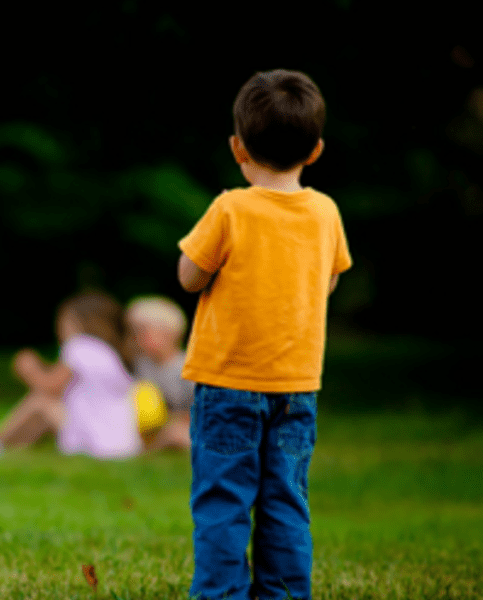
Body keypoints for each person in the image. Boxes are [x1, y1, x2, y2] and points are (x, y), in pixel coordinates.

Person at [178, 69, 352, 600]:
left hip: (228, 381)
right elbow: (331, 278)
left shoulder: (230, 207)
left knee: (224, 498)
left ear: (238, 147)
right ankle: (283, 593)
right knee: (285, 498)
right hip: (296, 387)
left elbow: (189, 276)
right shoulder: (324, 211)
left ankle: (221, 594)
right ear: (316, 150)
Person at [0, 291, 142, 459]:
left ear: (77, 322)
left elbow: (51, 386)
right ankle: (6, 449)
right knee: (45, 414)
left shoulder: (79, 345)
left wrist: (28, 370)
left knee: (41, 401)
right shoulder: (110, 352)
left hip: (94, 440)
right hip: (123, 442)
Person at [125, 295, 195, 451]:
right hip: (144, 426)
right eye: (133, 332)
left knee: (177, 435)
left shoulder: (186, 367)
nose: (135, 338)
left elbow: (199, 410)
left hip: (178, 424)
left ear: (169, 333)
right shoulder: (140, 364)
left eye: (143, 332)